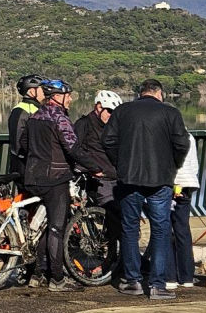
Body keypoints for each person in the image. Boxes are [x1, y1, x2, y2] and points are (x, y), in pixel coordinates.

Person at [102, 79, 190, 300]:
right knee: (160, 229)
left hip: (129, 178)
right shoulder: (170, 113)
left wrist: (120, 163)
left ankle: (133, 281)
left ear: (140, 93)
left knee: (130, 228)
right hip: (161, 180)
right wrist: (173, 165)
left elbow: (108, 140)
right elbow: (182, 144)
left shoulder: (122, 111)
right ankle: (157, 285)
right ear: (159, 93)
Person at [21, 79, 83, 292]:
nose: (71, 99)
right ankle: (57, 279)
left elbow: (23, 144)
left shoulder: (34, 117)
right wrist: (96, 167)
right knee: (57, 229)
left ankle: (37, 274)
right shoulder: (59, 118)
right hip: (55, 179)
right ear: (57, 97)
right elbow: (73, 148)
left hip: (33, 177)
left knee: (44, 228)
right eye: (68, 95)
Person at [72, 89, 123, 277]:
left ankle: (118, 261)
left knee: (118, 222)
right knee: (113, 220)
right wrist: (91, 168)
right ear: (98, 107)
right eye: (109, 111)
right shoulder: (84, 124)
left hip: (117, 178)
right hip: (98, 181)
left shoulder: (114, 127)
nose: (111, 115)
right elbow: (74, 150)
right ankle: (111, 262)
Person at [167, 131, 199, 290]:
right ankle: (187, 277)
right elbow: (194, 166)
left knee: (165, 231)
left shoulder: (165, 135)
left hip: (169, 185)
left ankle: (170, 277)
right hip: (187, 184)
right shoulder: (189, 136)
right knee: (183, 231)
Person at [6, 75, 46, 178]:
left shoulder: (40, 109)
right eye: (42, 89)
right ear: (32, 91)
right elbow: (18, 142)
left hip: (39, 166)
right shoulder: (20, 111)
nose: (45, 92)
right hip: (25, 167)